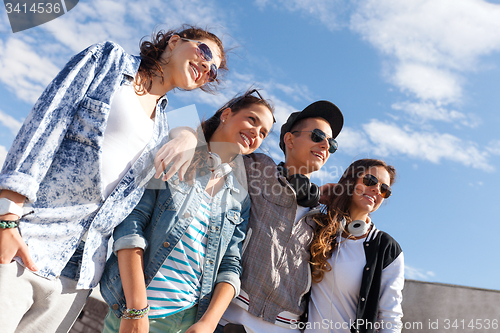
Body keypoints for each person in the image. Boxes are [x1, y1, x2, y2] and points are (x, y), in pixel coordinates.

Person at [0, 25, 227, 333]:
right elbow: (45, 123)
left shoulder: (166, 122)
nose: (206, 67)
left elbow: (198, 150)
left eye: (212, 71)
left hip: (79, 275)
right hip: (26, 237)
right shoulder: (109, 60)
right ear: (174, 41)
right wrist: (7, 217)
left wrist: (187, 134)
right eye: (204, 53)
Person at [99, 89, 276, 333]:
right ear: (226, 114)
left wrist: (208, 323)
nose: (256, 132)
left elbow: (230, 264)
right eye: (252, 120)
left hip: (190, 321)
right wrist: (136, 308)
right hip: (137, 311)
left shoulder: (239, 198)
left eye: (263, 133)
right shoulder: (176, 152)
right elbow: (131, 224)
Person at [218, 100, 344, 333]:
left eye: (332, 143)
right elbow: (210, 145)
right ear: (290, 140)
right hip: (228, 319)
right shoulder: (256, 169)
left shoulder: (322, 214)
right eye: (317, 135)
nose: (325, 145)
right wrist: (185, 132)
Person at [305, 159, 404, 333]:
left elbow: (390, 318)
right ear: (351, 181)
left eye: (384, 189)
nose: (376, 190)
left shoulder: (386, 249)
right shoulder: (315, 226)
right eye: (370, 181)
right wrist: (317, 195)